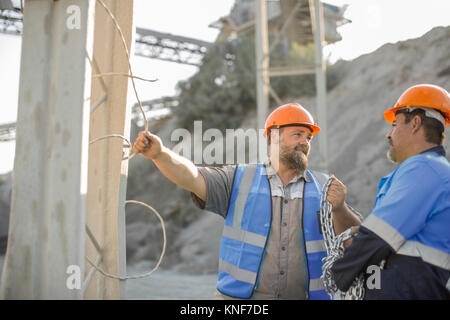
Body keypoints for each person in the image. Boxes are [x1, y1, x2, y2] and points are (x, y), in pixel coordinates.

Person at [133, 103, 361, 300]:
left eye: (308, 137)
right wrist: (160, 154)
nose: (305, 142)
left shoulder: (324, 186)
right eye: (298, 134)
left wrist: (339, 208)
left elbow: (356, 239)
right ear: (273, 136)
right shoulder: (239, 179)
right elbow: (192, 176)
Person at [331, 84, 450, 299]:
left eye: (395, 124)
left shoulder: (425, 169)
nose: (389, 134)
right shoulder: (427, 172)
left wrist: (339, 273)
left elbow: (378, 236)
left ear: (415, 123)